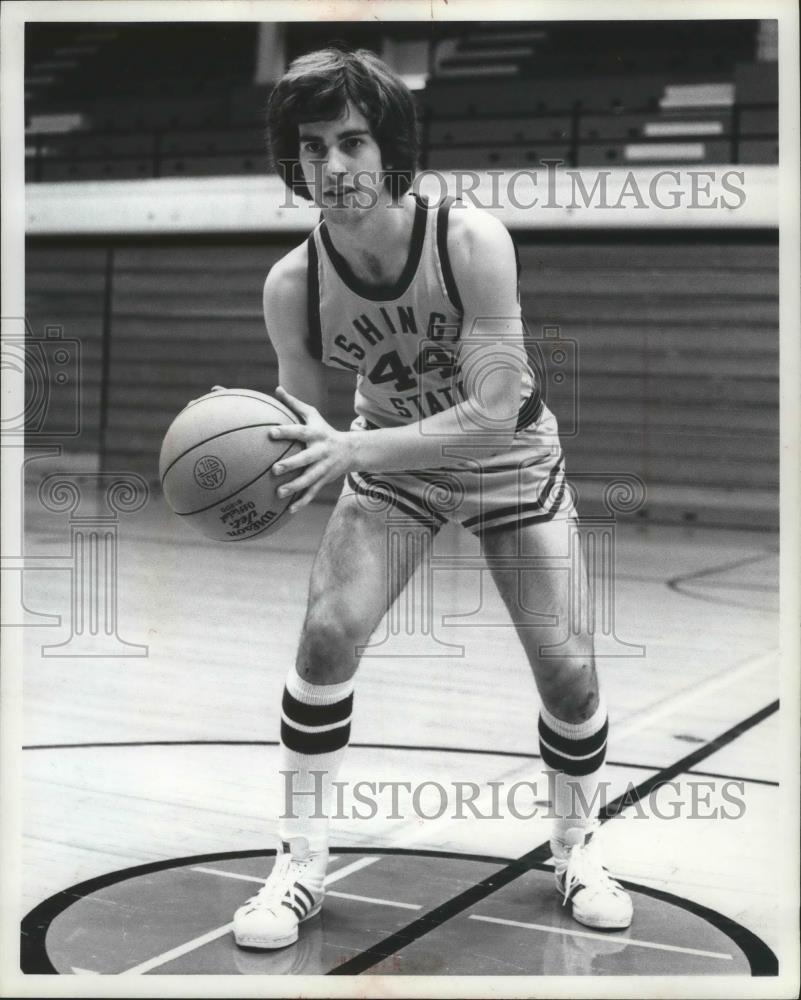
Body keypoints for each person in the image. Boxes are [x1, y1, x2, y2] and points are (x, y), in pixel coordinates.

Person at [232, 46, 632, 951]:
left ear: (389, 148)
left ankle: (577, 846)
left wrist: (350, 449)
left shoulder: (469, 241)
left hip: (510, 456)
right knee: (327, 633)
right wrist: (268, 468)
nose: (333, 167)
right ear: (293, 163)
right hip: (392, 463)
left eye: (351, 141)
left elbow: (493, 411)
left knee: (568, 670)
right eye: (312, 147)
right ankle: (298, 860)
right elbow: (308, 416)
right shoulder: (292, 286)